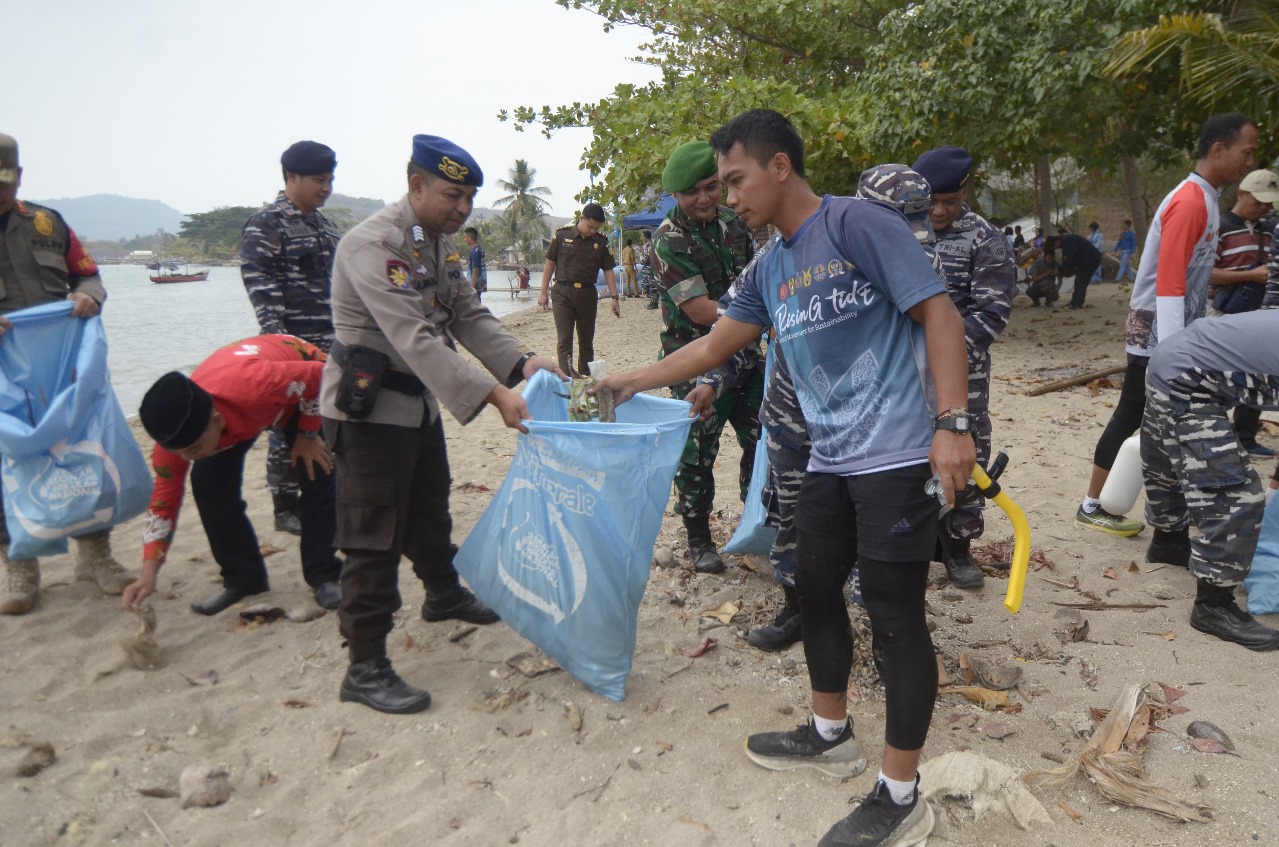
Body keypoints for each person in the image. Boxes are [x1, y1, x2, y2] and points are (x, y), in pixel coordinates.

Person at [594, 109, 973, 847]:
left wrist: (951, 424)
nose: (728, 194)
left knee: (894, 616)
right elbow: (711, 346)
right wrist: (625, 381)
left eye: (735, 178)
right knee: (811, 584)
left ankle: (900, 794)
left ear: (778, 167)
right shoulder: (769, 265)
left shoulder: (856, 224)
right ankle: (830, 732)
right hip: (827, 459)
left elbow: (940, 315)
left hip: (896, 456)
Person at [322, 135, 563, 715]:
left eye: (468, 199)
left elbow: (469, 314)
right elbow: (416, 336)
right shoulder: (372, 245)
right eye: (451, 195)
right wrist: (495, 393)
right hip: (370, 411)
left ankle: (443, 593)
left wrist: (522, 361)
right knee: (373, 535)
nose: (461, 209)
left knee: (430, 506)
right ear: (416, 185)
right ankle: (365, 664)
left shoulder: (437, 244)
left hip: (417, 406)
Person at [1077, 112, 1259, 537]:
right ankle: (1092, 504)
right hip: (1158, 330)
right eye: (1246, 152)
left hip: (1176, 331)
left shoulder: (1207, 199)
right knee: (1133, 412)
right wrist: (1174, 350)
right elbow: (1171, 278)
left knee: (1167, 418)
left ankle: (1171, 508)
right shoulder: (1190, 200)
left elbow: (1197, 275)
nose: (1250, 162)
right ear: (1219, 149)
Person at [0, 132, 134, 616]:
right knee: (7, 466)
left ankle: (95, 556)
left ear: (19, 176)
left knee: (83, 453)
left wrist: (89, 295)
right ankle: (21, 566)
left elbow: (89, 274)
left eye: (6, 180)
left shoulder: (47, 224)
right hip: (2, 378)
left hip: (59, 367)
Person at [125, 335, 344, 614]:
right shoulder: (178, 442)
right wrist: (148, 574)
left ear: (216, 421)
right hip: (244, 407)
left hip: (303, 383)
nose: (186, 458)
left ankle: (324, 574)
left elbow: (321, 375)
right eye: (179, 452)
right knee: (206, 483)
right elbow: (162, 505)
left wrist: (308, 433)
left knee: (317, 471)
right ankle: (244, 578)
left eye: (193, 449)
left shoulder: (258, 385)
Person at [651, 139, 761, 574]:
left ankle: (756, 521)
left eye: (711, 187)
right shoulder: (666, 241)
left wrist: (752, 320)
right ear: (675, 195)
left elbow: (754, 278)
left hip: (747, 356)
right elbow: (698, 310)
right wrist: (755, 314)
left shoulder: (736, 223)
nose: (704, 199)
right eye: (691, 192)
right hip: (694, 359)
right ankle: (699, 537)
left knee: (762, 438)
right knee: (697, 455)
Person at [1141, 309, 1279, 651]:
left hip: (1171, 358)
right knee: (1238, 497)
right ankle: (1213, 607)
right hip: (1187, 377)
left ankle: (1169, 542)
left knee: (1170, 461)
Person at [912, 145, 1015, 590]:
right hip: (905, 369)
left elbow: (991, 316)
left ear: (965, 192)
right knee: (909, 453)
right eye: (931, 201)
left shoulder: (985, 240)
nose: (938, 211)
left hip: (964, 371)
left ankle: (958, 546)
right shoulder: (902, 230)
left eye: (949, 202)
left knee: (968, 451)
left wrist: (941, 350)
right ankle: (917, 542)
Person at [240, 140, 340, 538]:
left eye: (330, 179)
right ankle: (285, 503)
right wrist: (279, 342)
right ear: (292, 177)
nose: (326, 187)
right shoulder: (267, 223)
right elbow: (260, 284)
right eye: (319, 179)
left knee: (326, 418)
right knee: (289, 422)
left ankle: (324, 491)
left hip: (331, 340)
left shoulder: (326, 226)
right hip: (291, 343)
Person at [1208, 168, 1278, 458]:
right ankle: (1215, 436)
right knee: (1218, 376)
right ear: (1241, 194)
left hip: (1257, 313)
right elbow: (1206, 273)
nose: (1263, 207)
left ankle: (1245, 438)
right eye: (1258, 201)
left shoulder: (1268, 230)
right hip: (1224, 312)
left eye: (1268, 202)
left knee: (1258, 375)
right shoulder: (1220, 227)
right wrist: (1250, 276)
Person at [538, 204, 620, 375]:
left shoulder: (601, 242)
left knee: (586, 342)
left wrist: (614, 297)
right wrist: (543, 292)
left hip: (587, 295)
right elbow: (550, 264)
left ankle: (585, 380)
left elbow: (608, 270)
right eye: (590, 226)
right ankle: (566, 380)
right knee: (564, 340)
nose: (592, 231)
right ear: (581, 219)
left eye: (596, 228)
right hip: (562, 293)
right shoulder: (562, 236)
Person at [1048, 231, 1102, 310]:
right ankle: (1075, 302)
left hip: (1089, 260)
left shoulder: (1067, 242)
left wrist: (1061, 269)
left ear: (1056, 241)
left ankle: (1077, 304)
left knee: (1081, 281)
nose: (1055, 248)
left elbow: (1070, 260)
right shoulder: (1066, 240)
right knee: (1079, 281)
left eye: (1054, 246)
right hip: (1087, 259)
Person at [463, 226, 488, 302]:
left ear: (470, 237)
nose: (465, 240)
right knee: (477, 303)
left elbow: (475, 270)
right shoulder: (479, 248)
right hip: (480, 282)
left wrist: (472, 289)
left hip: (476, 283)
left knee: (474, 304)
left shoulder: (475, 251)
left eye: (465, 237)